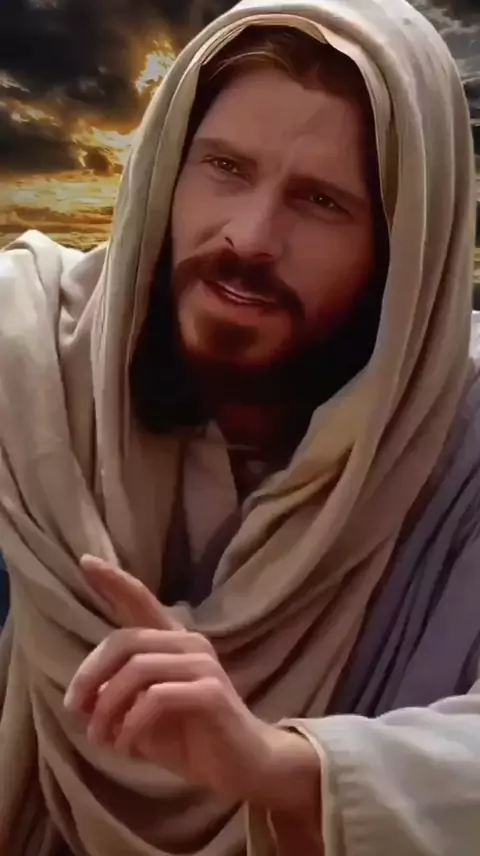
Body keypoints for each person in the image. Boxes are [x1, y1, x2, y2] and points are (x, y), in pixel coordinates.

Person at [0, 0, 479, 853]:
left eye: (321, 201)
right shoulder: (30, 356)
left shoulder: (462, 445)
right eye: (224, 166)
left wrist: (284, 767)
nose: (250, 239)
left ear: (402, 255)